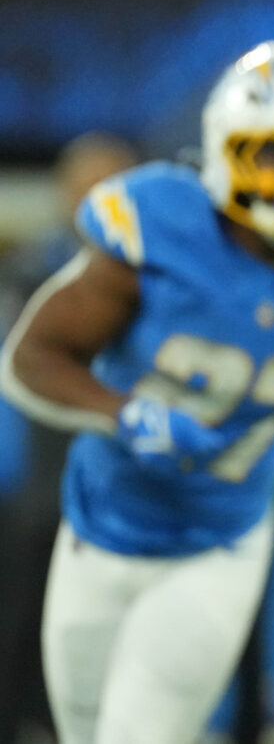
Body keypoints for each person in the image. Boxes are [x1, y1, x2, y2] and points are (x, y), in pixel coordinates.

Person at [0, 40, 274, 744]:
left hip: (219, 538)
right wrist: (127, 415)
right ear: (228, 147)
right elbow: (30, 359)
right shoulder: (158, 228)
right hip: (101, 524)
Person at [0, 132, 139, 744]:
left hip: (126, 484)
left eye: (110, 186)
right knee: (24, 621)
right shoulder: (29, 268)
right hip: (39, 480)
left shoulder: (158, 278)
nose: (94, 198)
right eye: (85, 183)